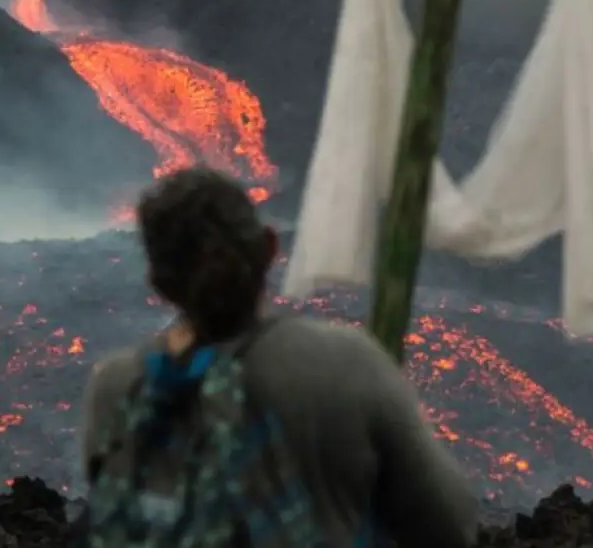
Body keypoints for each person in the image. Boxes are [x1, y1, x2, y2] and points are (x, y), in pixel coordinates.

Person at [80, 166, 478, 547]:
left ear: (158, 284)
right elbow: (449, 526)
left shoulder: (117, 388)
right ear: (269, 247)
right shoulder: (346, 364)